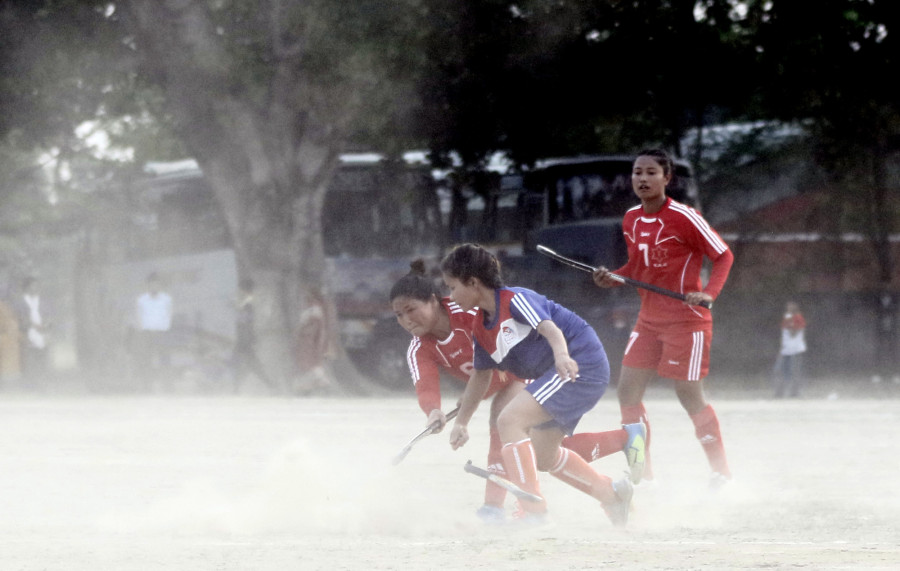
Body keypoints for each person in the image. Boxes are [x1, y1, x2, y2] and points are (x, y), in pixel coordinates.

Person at [441, 244, 642, 526]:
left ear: (473, 282)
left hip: (580, 364)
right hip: (561, 372)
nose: (450, 296)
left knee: (509, 420)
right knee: (544, 456)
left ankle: (533, 511)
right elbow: (481, 375)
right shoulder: (481, 326)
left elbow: (549, 328)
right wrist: (461, 422)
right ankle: (612, 496)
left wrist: (561, 356)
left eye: (452, 287)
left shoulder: (513, 299)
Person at [592, 148, 735, 490]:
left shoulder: (685, 217)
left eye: (651, 172)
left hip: (688, 322)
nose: (642, 178)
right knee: (627, 393)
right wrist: (614, 276)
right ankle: (643, 474)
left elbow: (723, 255)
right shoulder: (631, 219)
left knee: (689, 395)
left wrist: (709, 295)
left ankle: (722, 475)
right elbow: (638, 270)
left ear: (666, 179)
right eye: (637, 172)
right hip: (648, 322)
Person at [232, 278, 280, 394]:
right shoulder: (249, 304)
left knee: (248, 364)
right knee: (249, 365)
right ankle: (271, 385)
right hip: (246, 340)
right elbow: (246, 324)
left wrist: (246, 339)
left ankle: (271, 385)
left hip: (245, 340)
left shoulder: (246, 304)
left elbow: (245, 324)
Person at [134, 272, 173, 391]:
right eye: (152, 284)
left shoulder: (167, 299)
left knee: (165, 360)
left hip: (162, 333)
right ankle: (147, 386)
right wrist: (142, 329)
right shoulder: (141, 300)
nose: (154, 286)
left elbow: (169, 314)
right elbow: (138, 316)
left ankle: (167, 386)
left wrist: (166, 328)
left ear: (160, 285)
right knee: (146, 360)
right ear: (148, 285)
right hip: (147, 333)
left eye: (156, 284)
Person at [15, 277, 49, 388]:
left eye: (36, 285)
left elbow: (48, 316)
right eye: (32, 285)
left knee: (41, 358)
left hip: (42, 333)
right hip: (27, 333)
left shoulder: (42, 301)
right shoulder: (21, 302)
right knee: (28, 359)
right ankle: (29, 383)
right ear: (27, 287)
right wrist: (35, 326)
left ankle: (41, 381)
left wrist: (46, 326)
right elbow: (20, 318)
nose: (35, 288)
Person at [772, 301, 807, 398]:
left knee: (794, 372)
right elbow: (784, 335)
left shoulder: (798, 318)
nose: (789, 307)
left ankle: (794, 393)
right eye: (788, 306)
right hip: (786, 349)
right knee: (779, 370)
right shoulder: (787, 317)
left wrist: (789, 320)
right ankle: (779, 392)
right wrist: (781, 349)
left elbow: (793, 334)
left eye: (791, 306)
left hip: (795, 350)